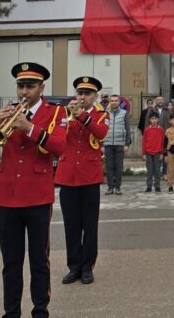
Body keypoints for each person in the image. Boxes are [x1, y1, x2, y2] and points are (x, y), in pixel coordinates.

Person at [0, 62, 66, 318]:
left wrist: (30, 128)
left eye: (30, 86)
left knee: (39, 260)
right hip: (7, 195)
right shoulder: (9, 111)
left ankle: (40, 310)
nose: (24, 91)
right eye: (21, 86)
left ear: (41, 87)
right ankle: (11, 312)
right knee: (10, 263)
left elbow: (60, 146)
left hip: (37, 195)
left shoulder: (56, 112)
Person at [55, 76, 108, 285]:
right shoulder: (63, 114)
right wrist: (70, 114)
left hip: (89, 176)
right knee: (71, 225)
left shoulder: (101, 115)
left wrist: (82, 116)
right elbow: (57, 136)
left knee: (89, 225)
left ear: (95, 96)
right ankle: (74, 266)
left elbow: (101, 133)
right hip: (68, 175)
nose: (83, 97)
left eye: (87, 93)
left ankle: (88, 266)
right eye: (80, 93)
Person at [103, 94, 131, 195]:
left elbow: (128, 129)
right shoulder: (105, 113)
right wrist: (102, 145)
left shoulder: (124, 113)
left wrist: (127, 144)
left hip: (120, 144)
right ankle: (110, 187)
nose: (114, 102)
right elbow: (101, 129)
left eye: (116, 100)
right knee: (109, 167)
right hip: (108, 143)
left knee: (119, 167)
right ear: (110, 102)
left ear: (119, 102)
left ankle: (118, 187)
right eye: (112, 100)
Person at [142, 113, 164, 193]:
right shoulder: (147, 129)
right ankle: (149, 186)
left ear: (158, 120)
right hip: (148, 152)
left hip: (158, 152)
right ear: (149, 120)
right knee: (149, 171)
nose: (154, 120)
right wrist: (143, 154)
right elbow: (144, 142)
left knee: (157, 170)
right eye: (152, 119)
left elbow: (162, 142)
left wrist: (162, 153)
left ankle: (157, 186)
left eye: (155, 118)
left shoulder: (161, 129)